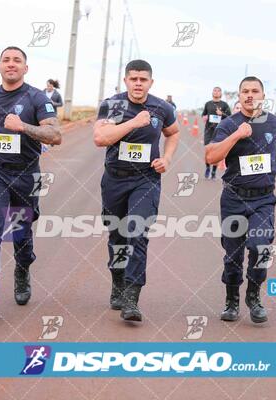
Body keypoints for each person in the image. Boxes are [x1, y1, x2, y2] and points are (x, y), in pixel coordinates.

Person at [0, 46, 61, 317]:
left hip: (26, 174)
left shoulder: (36, 98)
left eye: (17, 60)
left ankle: (22, 269)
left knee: (20, 232)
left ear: (25, 68)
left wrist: (23, 127)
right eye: (6, 60)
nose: (11, 64)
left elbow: (55, 135)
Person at [93, 59, 179, 322]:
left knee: (137, 233)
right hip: (115, 179)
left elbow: (173, 133)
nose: (138, 83)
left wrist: (167, 158)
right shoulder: (112, 105)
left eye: (143, 79)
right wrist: (134, 123)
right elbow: (101, 138)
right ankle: (118, 282)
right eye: (134, 79)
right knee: (117, 236)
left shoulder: (162, 107)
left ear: (151, 82)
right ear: (126, 81)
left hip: (146, 180)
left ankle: (132, 297)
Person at [205, 76, 276, 324]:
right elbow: (211, 156)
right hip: (234, 199)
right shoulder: (229, 123)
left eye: (255, 91)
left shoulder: (275, 123)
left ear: (263, 96)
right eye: (245, 91)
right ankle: (231, 301)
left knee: (260, 248)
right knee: (233, 255)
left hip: (263, 200)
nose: (250, 95)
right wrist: (235, 136)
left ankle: (254, 296)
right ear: (239, 95)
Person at [201, 87, 230, 180]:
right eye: (215, 90)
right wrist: (204, 117)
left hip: (219, 132)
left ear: (221, 93)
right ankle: (207, 168)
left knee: (216, 153)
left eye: (218, 91)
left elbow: (230, 117)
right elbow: (203, 114)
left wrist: (222, 114)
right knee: (207, 150)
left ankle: (214, 171)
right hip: (208, 131)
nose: (216, 92)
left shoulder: (224, 105)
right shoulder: (208, 104)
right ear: (212, 92)